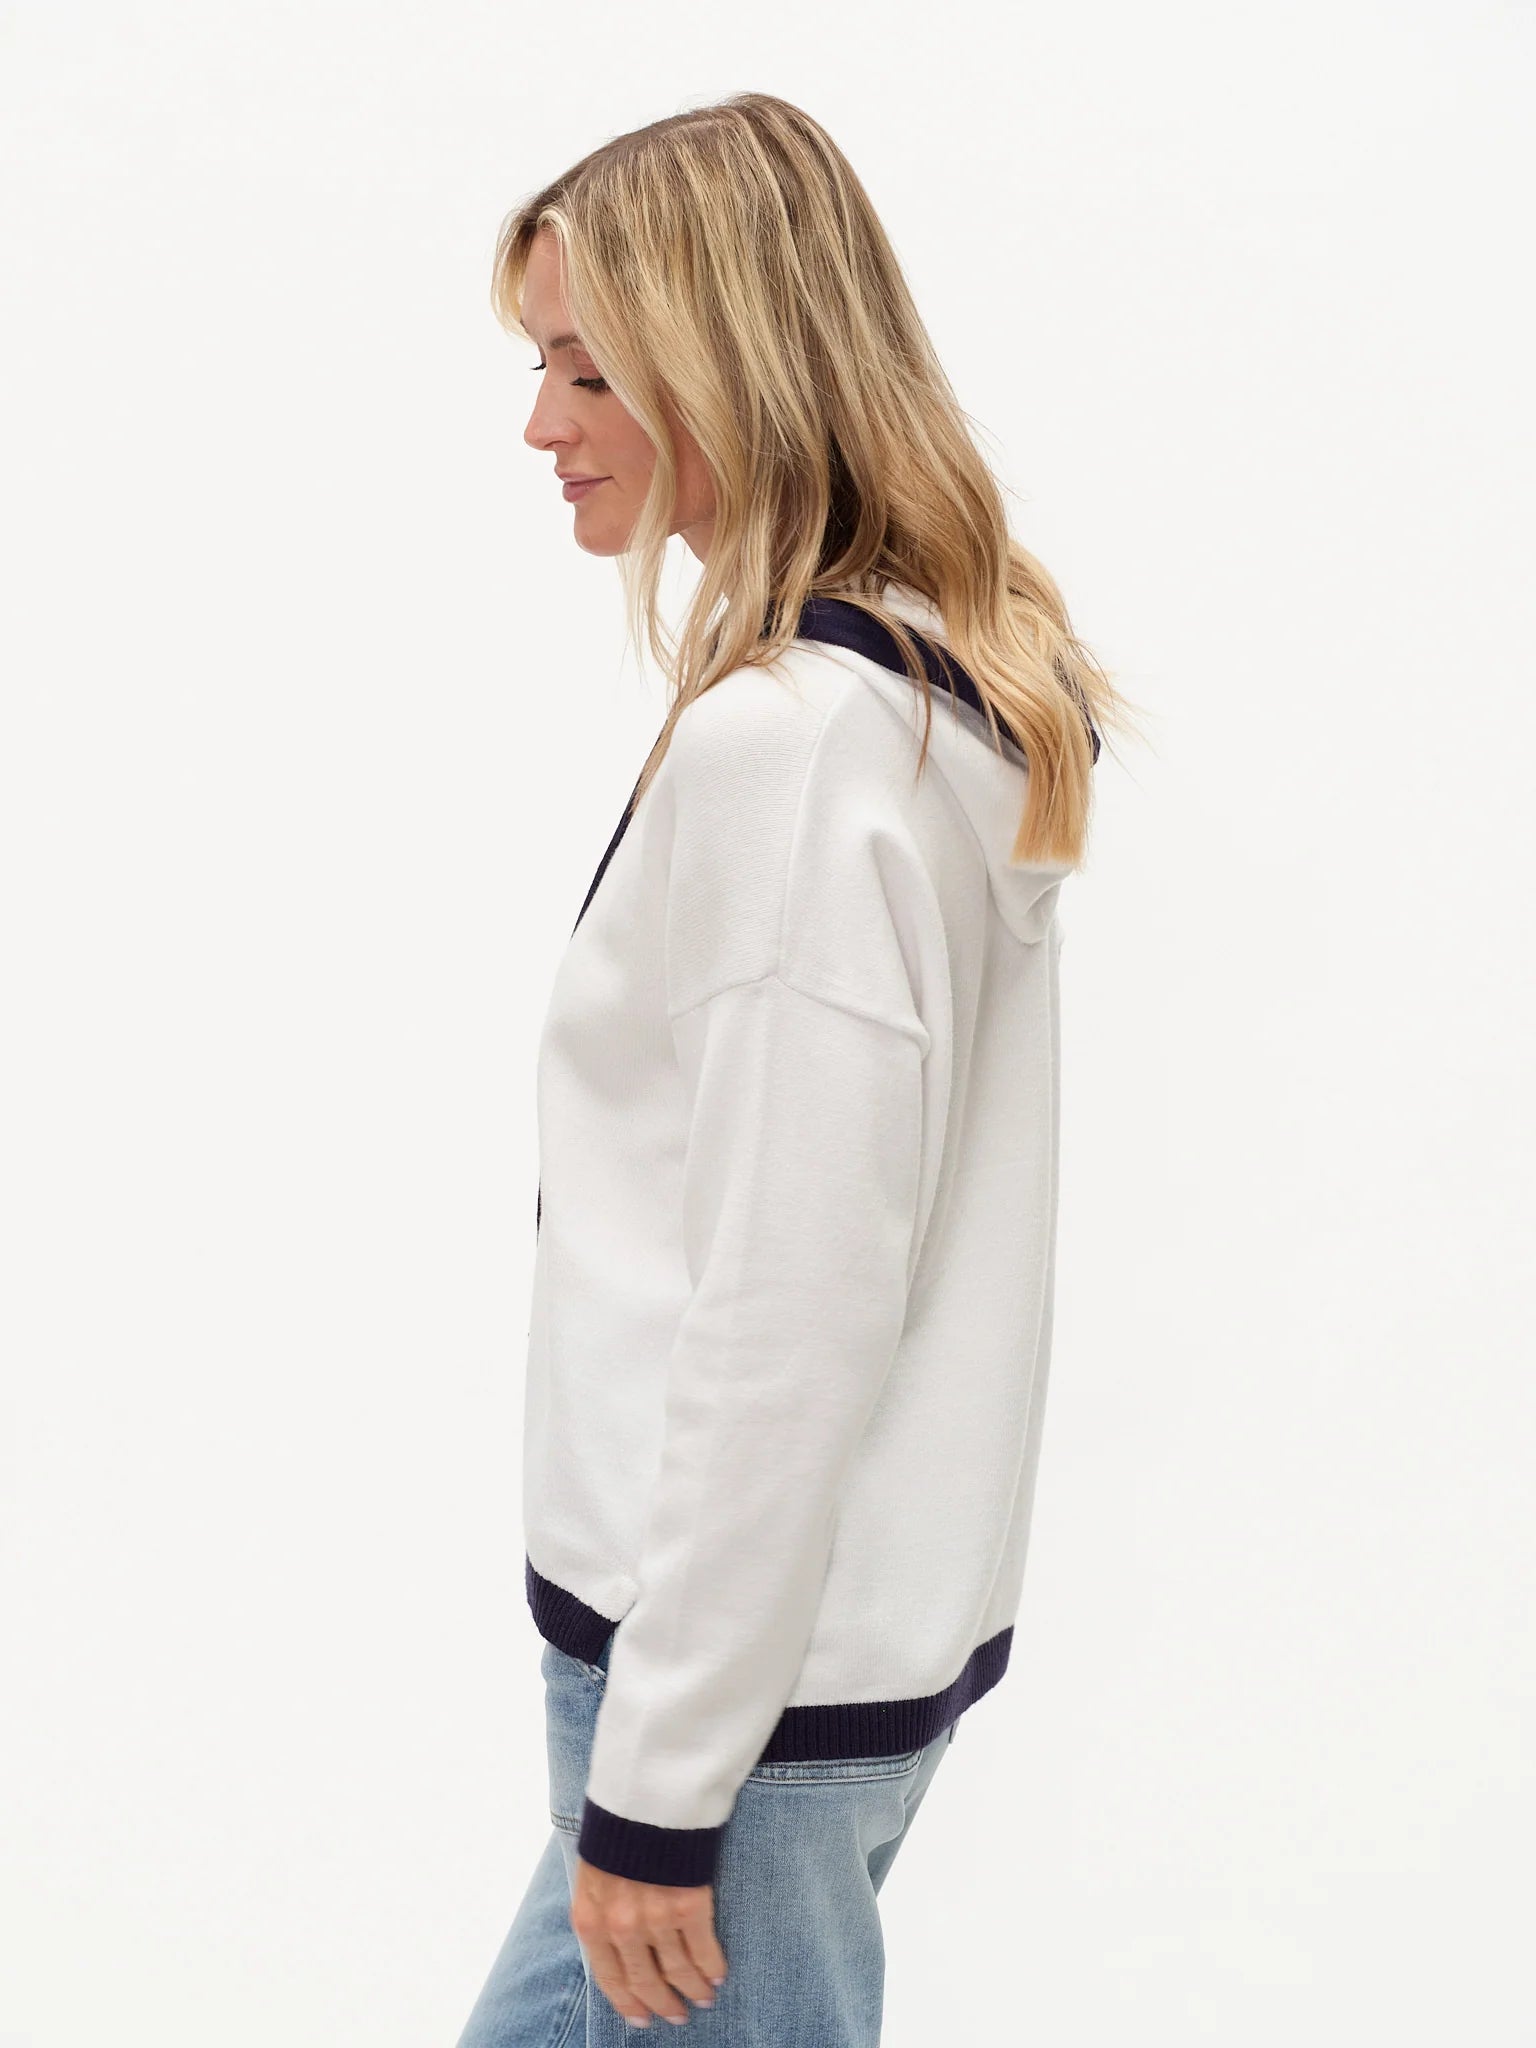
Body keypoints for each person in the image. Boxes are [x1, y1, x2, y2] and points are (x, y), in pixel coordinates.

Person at [455, 91, 1131, 2044]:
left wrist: (660, 1785)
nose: (542, 422)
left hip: (728, 1707)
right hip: (794, 1664)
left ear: (729, 363)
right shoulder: (938, 680)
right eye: (539, 364)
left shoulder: (801, 747)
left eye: (591, 368)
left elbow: (789, 1307)